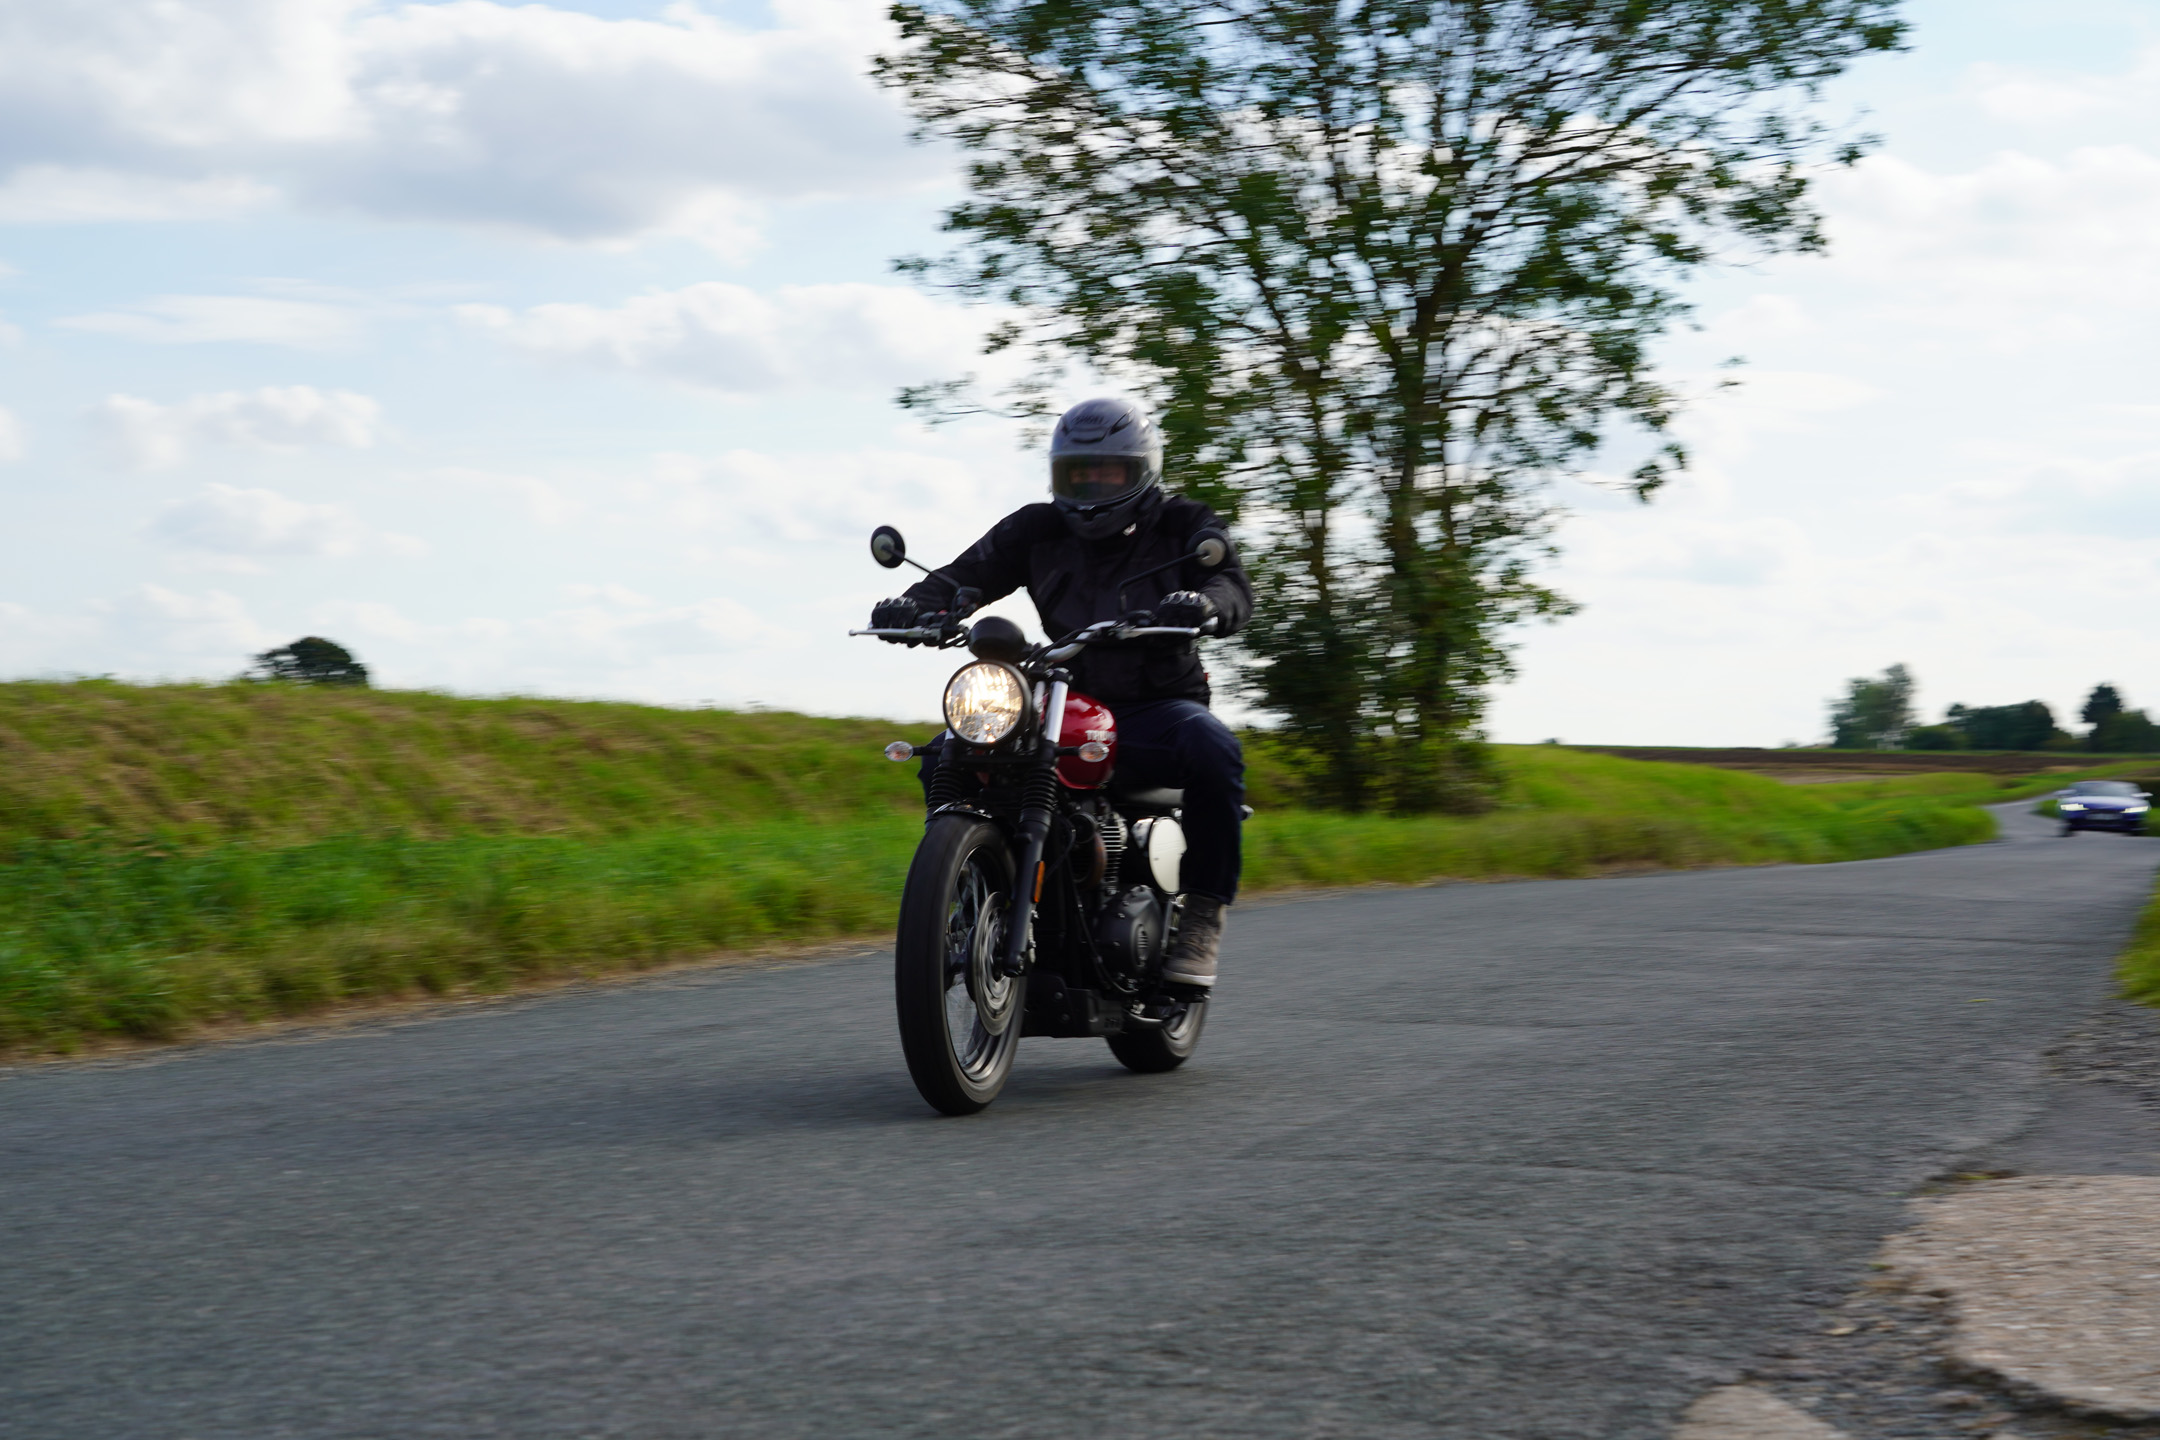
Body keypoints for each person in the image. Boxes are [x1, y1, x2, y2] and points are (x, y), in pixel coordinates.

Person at [867, 397, 1254, 988]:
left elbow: (1228, 582)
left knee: (1212, 748)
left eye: (1109, 471)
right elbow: (965, 576)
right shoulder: (1037, 527)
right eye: (1079, 472)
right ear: (1059, 475)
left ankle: (1202, 915)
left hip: (1154, 706)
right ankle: (960, 886)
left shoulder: (1182, 524)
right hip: (1062, 697)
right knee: (950, 749)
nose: (1093, 484)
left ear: (1142, 471)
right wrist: (915, 608)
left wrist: (1204, 605)